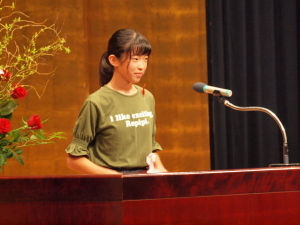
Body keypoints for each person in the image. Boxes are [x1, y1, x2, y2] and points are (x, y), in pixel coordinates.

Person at [65, 29, 168, 174]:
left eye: (145, 59)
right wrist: (116, 178)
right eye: (135, 59)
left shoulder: (147, 97)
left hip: (143, 181)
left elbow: (150, 148)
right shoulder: (96, 102)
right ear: (113, 60)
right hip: (110, 184)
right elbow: (74, 160)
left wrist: (163, 174)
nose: (142, 66)